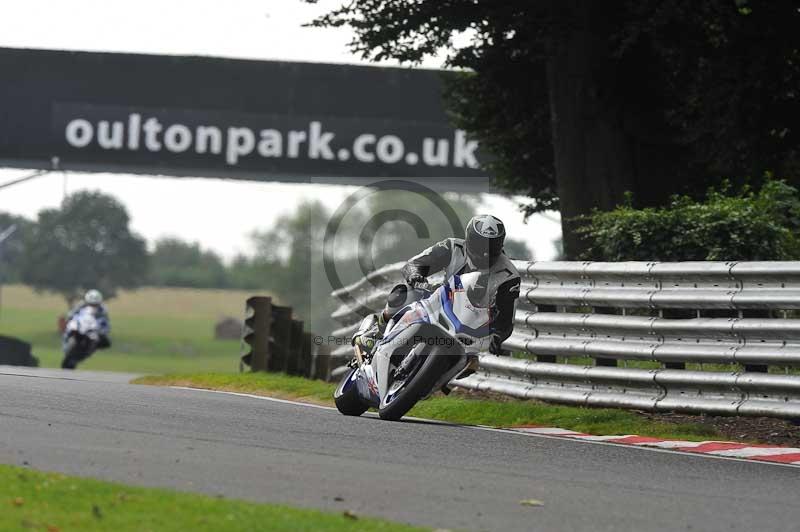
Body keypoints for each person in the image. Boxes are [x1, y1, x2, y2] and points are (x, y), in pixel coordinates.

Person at [352, 214, 521, 355]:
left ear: (500, 244)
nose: (485, 252)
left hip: (471, 325)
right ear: (469, 239)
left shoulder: (509, 275)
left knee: (472, 363)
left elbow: (506, 318)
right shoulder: (453, 247)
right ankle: (377, 330)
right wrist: (415, 275)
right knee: (405, 294)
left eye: (491, 246)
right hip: (440, 301)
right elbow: (415, 264)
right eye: (480, 244)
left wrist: (497, 337)